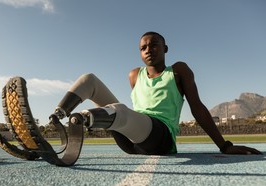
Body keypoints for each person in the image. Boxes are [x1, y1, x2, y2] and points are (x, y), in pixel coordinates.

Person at [51, 31, 262, 155]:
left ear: (165, 48)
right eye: (143, 47)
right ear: (140, 53)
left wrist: (224, 146)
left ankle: (81, 120)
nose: (148, 50)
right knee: (90, 80)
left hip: (159, 137)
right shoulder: (134, 75)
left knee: (119, 110)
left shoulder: (179, 70)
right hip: (133, 137)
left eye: (154, 45)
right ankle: (58, 116)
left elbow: (197, 107)